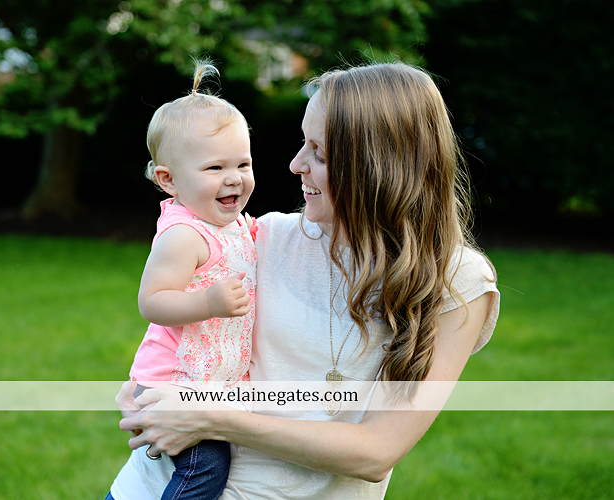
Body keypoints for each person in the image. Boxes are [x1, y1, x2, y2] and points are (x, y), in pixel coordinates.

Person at [106, 61, 500, 500]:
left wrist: (208, 417)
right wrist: (146, 393)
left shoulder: (457, 282)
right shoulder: (261, 237)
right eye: (302, 143)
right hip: (152, 488)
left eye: (320, 154)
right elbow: (177, 332)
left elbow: (376, 452)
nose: (296, 164)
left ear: (380, 167)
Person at [120, 60, 257, 500]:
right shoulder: (183, 235)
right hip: (172, 380)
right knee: (205, 468)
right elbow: (152, 300)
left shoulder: (234, 224)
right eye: (214, 168)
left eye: (243, 163)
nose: (234, 178)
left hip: (206, 382)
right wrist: (208, 303)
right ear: (169, 180)